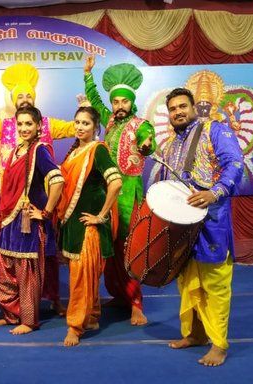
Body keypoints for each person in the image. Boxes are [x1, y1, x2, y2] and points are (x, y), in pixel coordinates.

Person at [0, 63, 73, 316]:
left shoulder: (46, 129)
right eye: (19, 96)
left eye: (28, 95)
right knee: (7, 261)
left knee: (44, 257)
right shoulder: (5, 126)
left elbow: (78, 127)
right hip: (9, 204)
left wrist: (47, 210)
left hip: (36, 206)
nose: (24, 99)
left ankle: (48, 301)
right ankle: (17, 308)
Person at [161, 88, 243, 366]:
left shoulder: (215, 130)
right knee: (186, 281)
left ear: (194, 107)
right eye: (173, 109)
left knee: (214, 282)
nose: (178, 112)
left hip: (212, 220)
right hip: (181, 225)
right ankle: (194, 334)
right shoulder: (170, 145)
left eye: (183, 106)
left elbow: (235, 163)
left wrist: (215, 192)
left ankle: (218, 343)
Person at [83, 54, 156, 325]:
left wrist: (147, 146)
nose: (119, 105)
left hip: (129, 199)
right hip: (107, 196)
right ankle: (118, 294)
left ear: (132, 101)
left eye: (124, 101)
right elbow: (95, 101)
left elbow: (149, 143)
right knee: (109, 250)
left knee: (128, 250)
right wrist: (88, 75)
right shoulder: (110, 121)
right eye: (116, 101)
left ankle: (136, 303)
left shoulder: (141, 125)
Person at [0, 106, 64, 335]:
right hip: (11, 218)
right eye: (20, 124)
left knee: (26, 271)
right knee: (1, 268)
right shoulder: (14, 151)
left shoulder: (39, 150)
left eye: (28, 124)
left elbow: (57, 180)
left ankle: (29, 320)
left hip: (28, 220)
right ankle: (12, 314)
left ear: (39, 125)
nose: (23, 128)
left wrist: (46, 212)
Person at [56, 106, 122, 347]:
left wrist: (101, 216)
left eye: (86, 123)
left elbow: (115, 182)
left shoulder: (98, 151)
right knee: (86, 275)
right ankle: (92, 316)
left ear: (96, 127)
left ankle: (75, 326)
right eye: (77, 122)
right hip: (74, 224)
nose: (80, 127)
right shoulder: (74, 153)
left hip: (88, 226)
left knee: (82, 278)